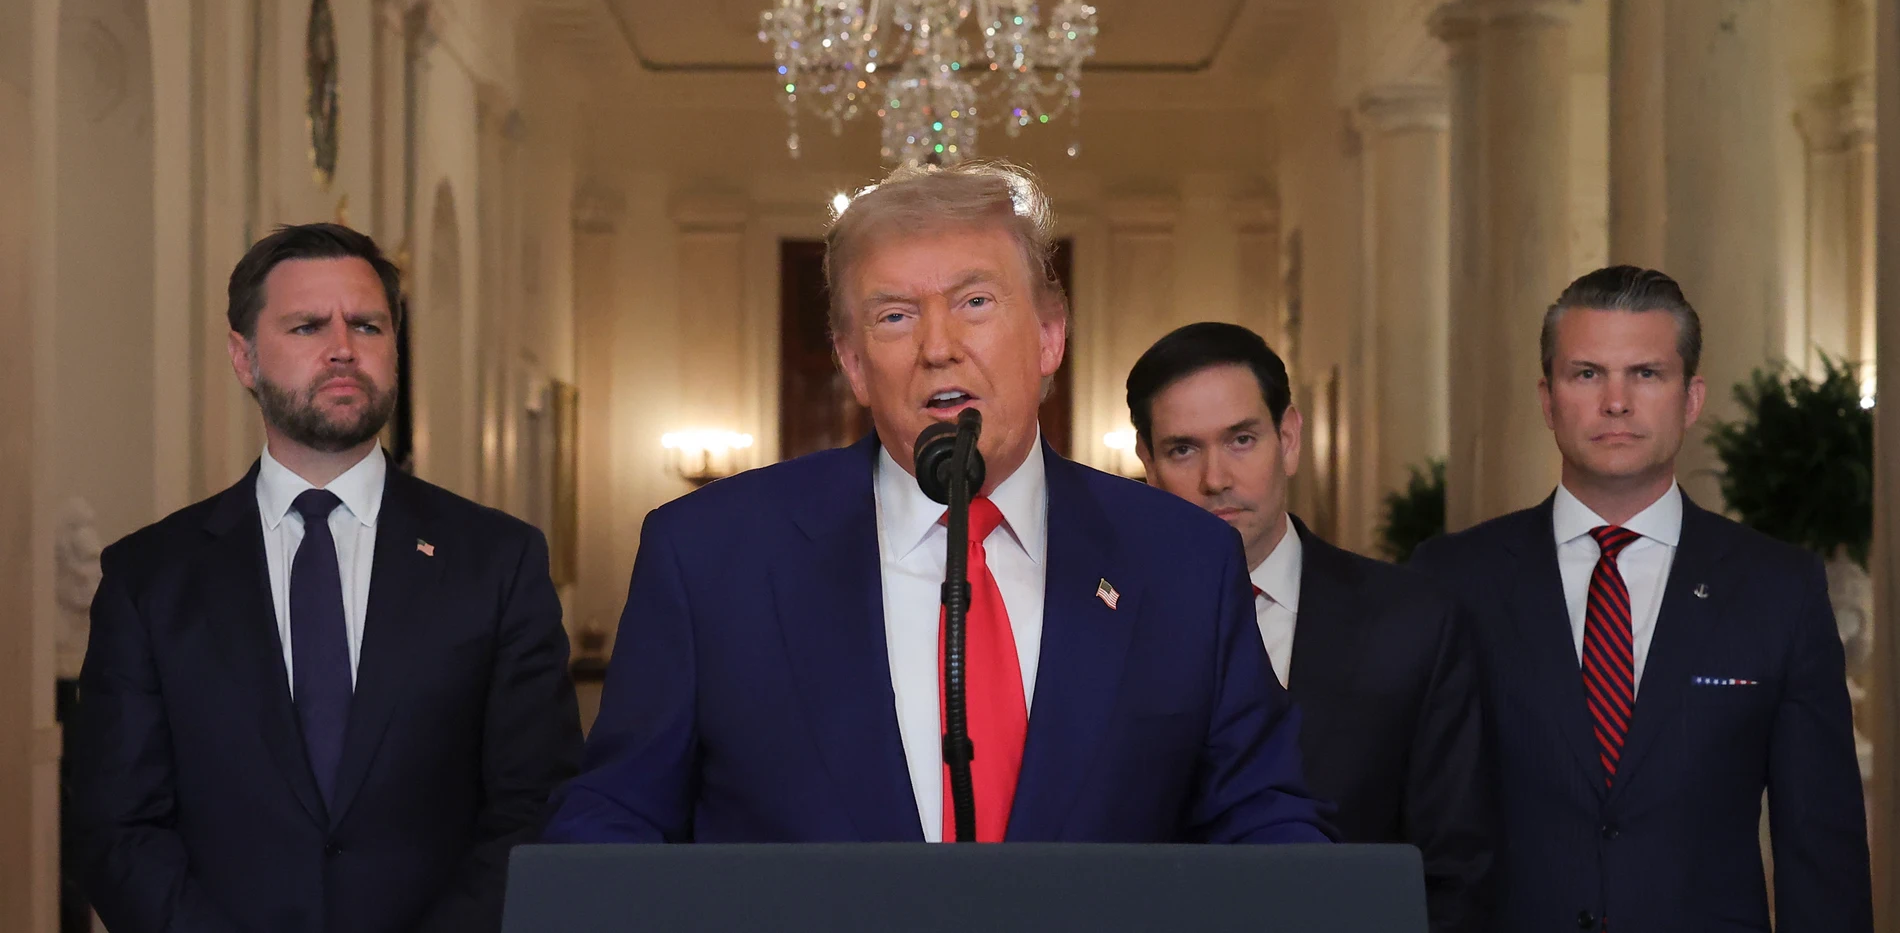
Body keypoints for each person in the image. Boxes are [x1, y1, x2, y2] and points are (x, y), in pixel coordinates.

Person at [543, 161, 1331, 844]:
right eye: (894, 316)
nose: (938, 344)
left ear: (1051, 336)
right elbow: (616, 819)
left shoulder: (1182, 560)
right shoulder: (710, 555)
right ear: (854, 364)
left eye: (976, 302)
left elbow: (1260, 815)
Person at [71, 223, 582, 933]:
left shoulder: (497, 562)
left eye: (367, 325)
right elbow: (117, 825)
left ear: (394, 351)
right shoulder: (150, 578)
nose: (343, 346)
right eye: (308, 325)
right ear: (243, 357)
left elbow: (538, 807)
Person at [1409, 266, 1871, 933]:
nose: (1616, 402)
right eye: (1587, 374)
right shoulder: (1453, 578)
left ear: (1691, 399)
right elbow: (1415, 821)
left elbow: (1821, 851)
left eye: (1647, 374)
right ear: (1548, 398)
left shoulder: (1778, 589)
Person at [1127, 322, 1490, 932]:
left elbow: (1456, 871)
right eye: (1183, 449)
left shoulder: (1413, 624)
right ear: (1148, 463)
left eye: (1241, 440)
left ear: (1288, 439)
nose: (1216, 479)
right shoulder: (1106, 627)